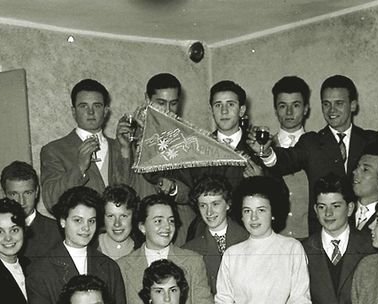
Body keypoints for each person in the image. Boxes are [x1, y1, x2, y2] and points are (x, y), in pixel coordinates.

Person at [253, 75, 378, 234]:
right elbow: (286, 160)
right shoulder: (311, 142)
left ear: (353, 105)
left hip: (364, 233)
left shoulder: (371, 139)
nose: (332, 110)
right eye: (326, 104)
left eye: (339, 103)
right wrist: (266, 152)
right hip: (322, 233)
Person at [214, 177, 312, 304]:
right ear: (240, 215)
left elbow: (302, 303)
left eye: (261, 210)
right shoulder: (232, 255)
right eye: (247, 211)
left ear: (273, 213)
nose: (253, 218)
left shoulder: (291, 248)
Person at [26, 186, 128, 304]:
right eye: (78, 220)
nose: (86, 228)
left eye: (91, 221)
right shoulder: (40, 270)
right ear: (62, 221)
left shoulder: (109, 267)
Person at [117, 194, 215, 304]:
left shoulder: (193, 261)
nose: (167, 227)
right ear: (142, 227)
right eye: (158, 221)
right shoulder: (122, 267)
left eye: (171, 221)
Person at [302, 174, 375, 304]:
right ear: (315, 210)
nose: (328, 214)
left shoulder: (371, 248)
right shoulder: (301, 250)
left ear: (350, 208)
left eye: (336, 206)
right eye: (322, 207)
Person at [40, 79, 132, 212]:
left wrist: (125, 151)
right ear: (73, 111)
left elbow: (133, 195)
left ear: (106, 111)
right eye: (83, 106)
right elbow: (51, 201)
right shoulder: (54, 150)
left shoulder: (122, 147)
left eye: (97, 106)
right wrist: (79, 167)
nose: (90, 112)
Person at [136, 73, 197, 246]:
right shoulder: (131, 135)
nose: (168, 111)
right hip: (140, 229)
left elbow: (195, 189)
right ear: (147, 99)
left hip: (178, 230)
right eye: (161, 103)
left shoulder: (188, 139)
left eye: (173, 103)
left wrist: (174, 189)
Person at [183, 176, 248, 294]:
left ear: (228, 204)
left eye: (215, 204)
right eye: (203, 205)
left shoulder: (248, 240)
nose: (209, 212)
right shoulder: (189, 250)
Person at [270, 76, 311, 239]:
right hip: (274, 240)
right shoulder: (263, 150)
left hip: (311, 240)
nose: (289, 112)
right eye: (282, 106)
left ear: (306, 108)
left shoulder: (320, 148)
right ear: (275, 110)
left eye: (295, 105)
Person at [0, 160, 61, 263]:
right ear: (4, 194)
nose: (21, 201)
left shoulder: (56, 232)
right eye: (14, 194)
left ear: (37, 192)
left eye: (27, 193)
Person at [206, 80, 264, 188]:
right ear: (211, 111)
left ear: (241, 110)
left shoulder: (260, 147)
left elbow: (281, 192)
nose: (224, 111)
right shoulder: (200, 147)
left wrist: (261, 180)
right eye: (218, 105)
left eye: (230, 104)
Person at [98, 184, 139, 260]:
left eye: (123, 216)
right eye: (110, 216)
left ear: (133, 216)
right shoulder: (90, 247)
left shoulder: (141, 251)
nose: (117, 224)